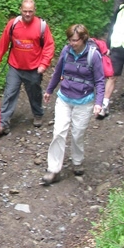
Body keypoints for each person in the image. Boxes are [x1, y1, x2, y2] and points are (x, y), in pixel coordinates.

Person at [42, 25, 105, 185]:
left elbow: (99, 80)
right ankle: (53, 169)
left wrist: (98, 103)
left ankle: (77, 161)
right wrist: (49, 90)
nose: (72, 43)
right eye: (70, 40)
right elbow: (58, 72)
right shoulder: (66, 51)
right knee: (58, 132)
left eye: (75, 40)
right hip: (64, 98)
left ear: (83, 39)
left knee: (78, 134)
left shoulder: (93, 56)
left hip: (84, 101)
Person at [0, 0, 55, 133]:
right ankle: (3, 124)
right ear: (21, 10)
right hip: (15, 66)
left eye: (30, 11)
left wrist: (44, 64)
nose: (27, 14)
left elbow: (49, 46)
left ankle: (38, 114)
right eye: (25, 11)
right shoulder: (13, 25)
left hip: (33, 68)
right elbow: (3, 43)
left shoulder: (41, 26)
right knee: (9, 93)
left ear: (35, 11)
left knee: (34, 93)